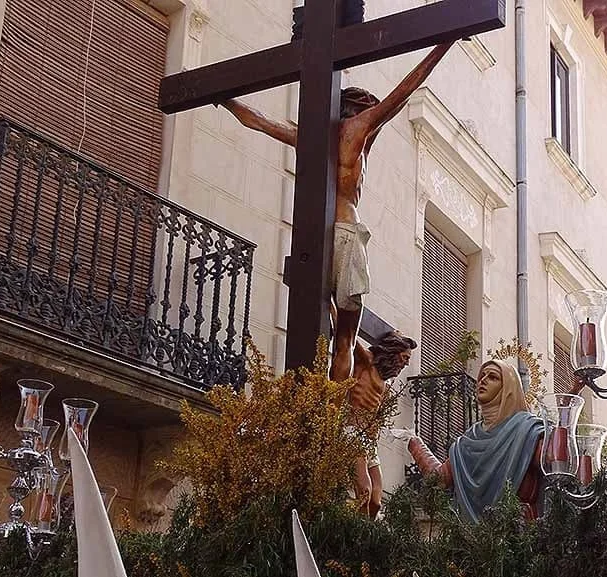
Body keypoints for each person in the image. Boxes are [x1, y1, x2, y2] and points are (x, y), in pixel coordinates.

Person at [220, 42, 456, 384]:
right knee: (344, 340)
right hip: (346, 233)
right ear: (360, 109)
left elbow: (256, 121)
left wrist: (224, 99)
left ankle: (314, 400)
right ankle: (326, 413)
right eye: (372, 113)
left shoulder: (312, 137)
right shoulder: (357, 130)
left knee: (320, 317)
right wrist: (444, 44)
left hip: (315, 237)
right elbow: (406, 90)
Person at [408, 359, 546, 522]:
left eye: (493, 377)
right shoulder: (466, 442)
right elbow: (439, 480)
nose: (483, 380)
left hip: (517, 534)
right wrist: (414, 443)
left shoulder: (527, 430)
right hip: (469, 537)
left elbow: (555, 465)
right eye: (482, 376)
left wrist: (567, 408)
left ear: (509, 388)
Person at [348, 331, 417, 518]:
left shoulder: (385, 383)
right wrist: (333, 307)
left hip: (369, 442)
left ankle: (365, 529)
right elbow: (348, 337)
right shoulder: (366, 361)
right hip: (352, 433)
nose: (406, 363)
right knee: (364, 491)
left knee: (377, 501)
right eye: (404, 357)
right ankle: (354, 532)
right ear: (393, 352)